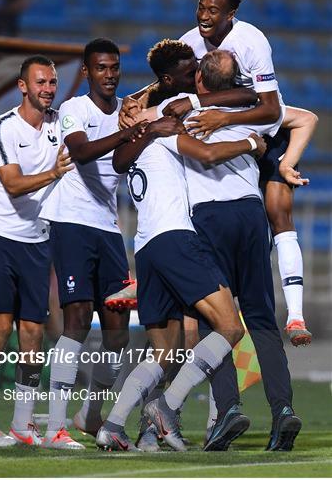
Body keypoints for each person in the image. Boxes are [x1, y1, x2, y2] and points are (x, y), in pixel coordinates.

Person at [95, 76, 266, 452]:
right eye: (131, 107)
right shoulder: (159, 134)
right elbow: (207, 155)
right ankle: (167, 408)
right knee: (230, 328)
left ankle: (117, 426)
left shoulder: (133, 147)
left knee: (167, 352)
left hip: (144, 249)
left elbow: (121, 160)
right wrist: (253, 142)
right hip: (176, 239)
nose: (134, 107)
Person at [146, 49, 302, 452]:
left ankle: (228, 409)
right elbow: (302, 117)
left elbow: (141, 119)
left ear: (198, 80)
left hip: (209, 217)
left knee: (220, 321)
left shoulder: (176, 111)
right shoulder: (256, 108)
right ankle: (283, 410)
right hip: (251, 214)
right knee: (261, 319)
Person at [162, 0, 317, 346]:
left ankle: (295, 316)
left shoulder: (251, 42)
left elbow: (269, 108)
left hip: (263, 133)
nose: (205, 14)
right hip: (230, 140)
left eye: (214, 10)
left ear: (231, 14)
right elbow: (168, 82)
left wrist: (220, 116)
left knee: (278, 210)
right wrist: (140, 98)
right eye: (201, 6)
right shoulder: (189, 42)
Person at [39, 38, 144, 450]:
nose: (109, 74)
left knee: (117, 332)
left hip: (107, 227)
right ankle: (54, 429)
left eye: (114, 67)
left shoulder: (125, 114)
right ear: (86, 72)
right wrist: (131, 132)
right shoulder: (74, 109)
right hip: (71, 222)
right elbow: (81, 153)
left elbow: (124, 161)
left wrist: (140, 129)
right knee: (78, 322)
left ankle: (92, 413)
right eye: (101, 67)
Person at [0, 55, 72, 447]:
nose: (48, 88)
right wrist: (56, 173)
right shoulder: (3, 127)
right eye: (41, 82)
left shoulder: (61, 123)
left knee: (33, 333)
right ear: (22, 86)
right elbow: (12, 184)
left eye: (53, 82)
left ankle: (23, 425)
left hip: (37, 239)